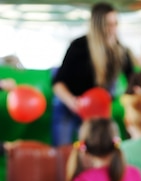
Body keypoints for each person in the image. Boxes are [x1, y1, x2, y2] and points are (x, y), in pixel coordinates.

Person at [51, 2, 135, 146]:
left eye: (115, 24)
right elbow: (58, 82)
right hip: (70, 106)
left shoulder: (119, 50)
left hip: (96, 110)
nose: (113, 29)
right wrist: (72, 101)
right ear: (98, 26)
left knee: (101, 147)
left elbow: (132, 78)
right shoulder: (79, 46)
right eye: (108, 24)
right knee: (63, 149)